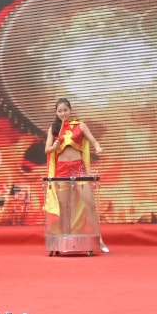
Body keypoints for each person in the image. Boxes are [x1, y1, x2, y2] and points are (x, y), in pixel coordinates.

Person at [44, 98, 109, 254]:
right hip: (62, 170)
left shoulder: (80, 125)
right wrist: (54, 146)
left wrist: (98, 147)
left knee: (90, 203)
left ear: (70, 110)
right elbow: (47, 150)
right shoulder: (53, 128)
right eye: (60, 111)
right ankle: (66, 239)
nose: (63, 113)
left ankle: (98, 239)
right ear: (56, 112)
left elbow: (93, 141)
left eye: (65, 110)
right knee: (65, 207)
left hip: (78, 168)